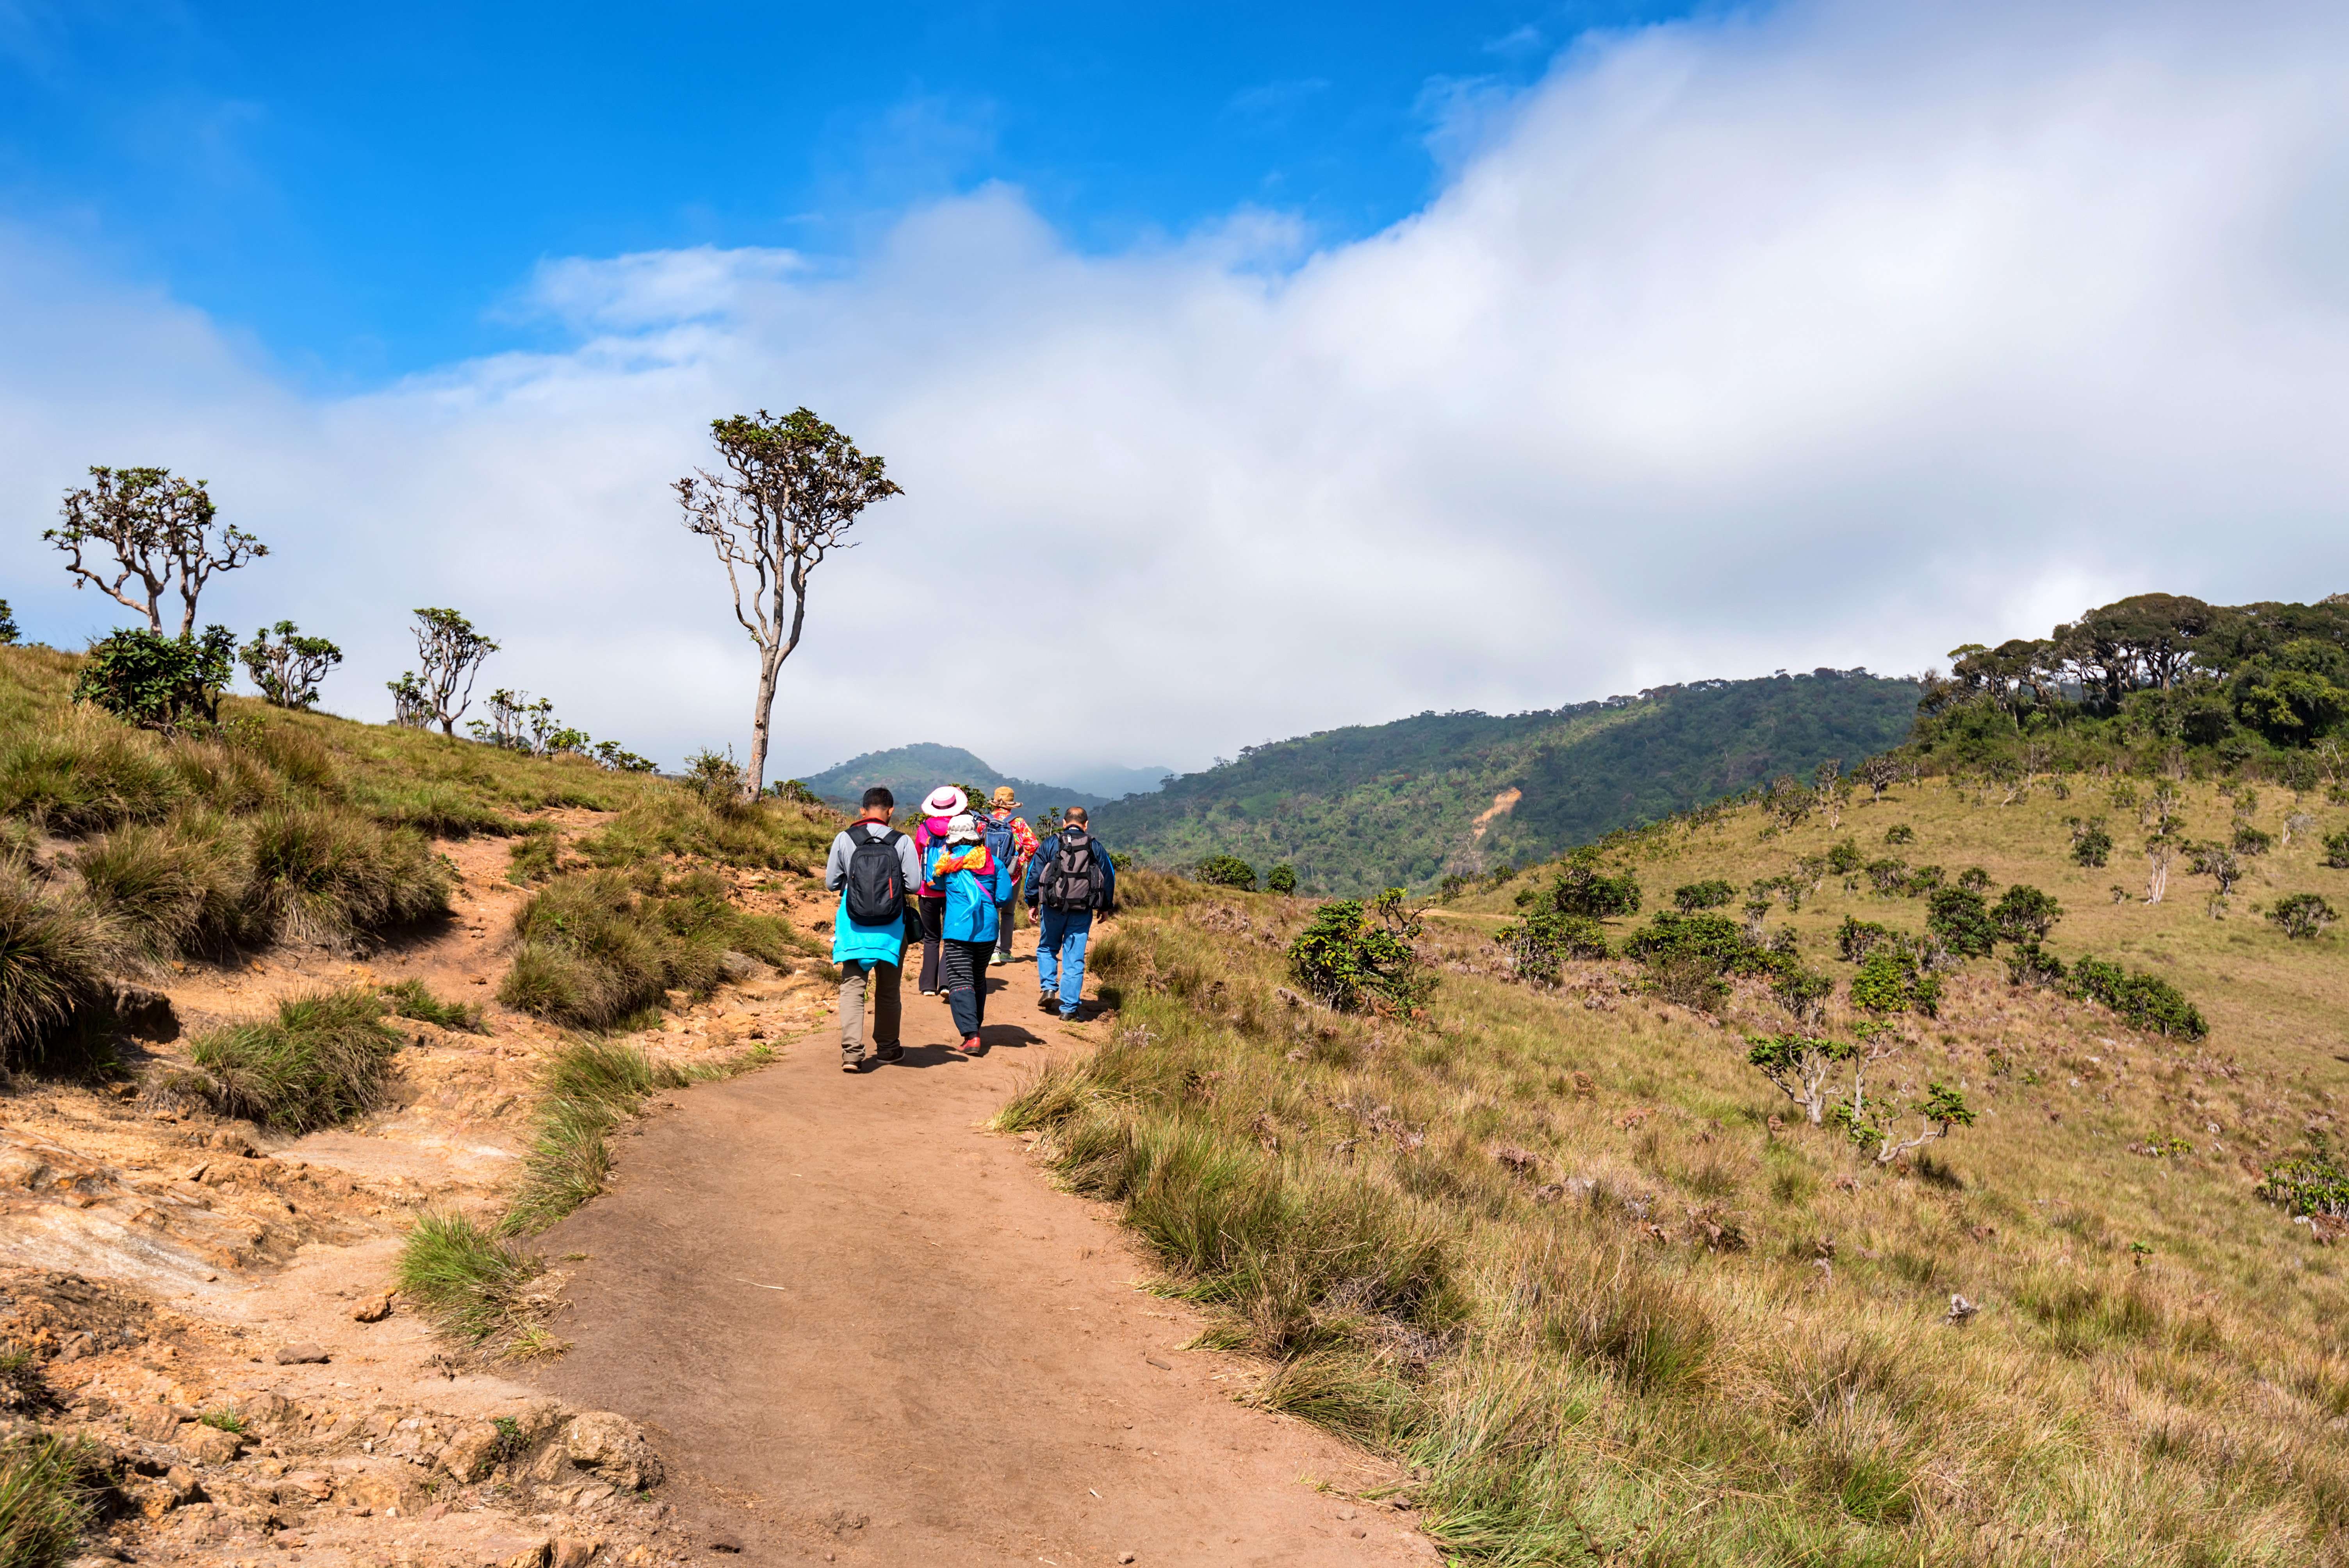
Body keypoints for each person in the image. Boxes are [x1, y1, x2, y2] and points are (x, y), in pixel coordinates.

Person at [824, 787, 923, 1073]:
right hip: (892, 927)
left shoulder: (845, 838)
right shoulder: (902, 841)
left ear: (862, 811)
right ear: (891, 811)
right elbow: (915, 885)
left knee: (853, 986)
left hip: (853, 925)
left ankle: (852, 1054)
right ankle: (888, 1049)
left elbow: (832, 883)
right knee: (889, 990)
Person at [925, 812, 1016, 1053]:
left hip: (958, 931)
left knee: (960, 980)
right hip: (988, 932)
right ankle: (976, 1026)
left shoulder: (947, 864)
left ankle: (971, 1035)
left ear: (952, 837)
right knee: (977, 978)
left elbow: (935, 884)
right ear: (975, 835)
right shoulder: (993, 862)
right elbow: (1004, 897)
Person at [1024, 805, 1117, 1022]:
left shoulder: (1051, 843)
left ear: (1064, 823)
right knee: (1074, 959)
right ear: (1086, 825)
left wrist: (1032, 902)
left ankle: (1048, 988)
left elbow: (1034, 872)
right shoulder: (1094, 845)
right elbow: (1109, 876)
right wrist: (1105, 907)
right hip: (1082, 910)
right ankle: (1068, 1008)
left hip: (1052, 907)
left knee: (1047, 947)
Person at [912, 786, 967, 995]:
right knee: (950, 936)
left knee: (931, 938)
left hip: (928, 890)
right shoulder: (960, 828)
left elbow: (918, 856)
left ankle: (928, 985)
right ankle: (946, 982)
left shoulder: (923, 828)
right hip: (953, 890)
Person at [979, 786, 1040, 966]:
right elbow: (1033, 844)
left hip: (987, 872)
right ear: (1011, 805)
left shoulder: (984, 821)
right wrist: (1020, 862)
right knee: (1008, 912)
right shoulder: (1018, 822)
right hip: (1011, 874)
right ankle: (1004, 951)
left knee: (990, 910)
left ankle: (991, 951)